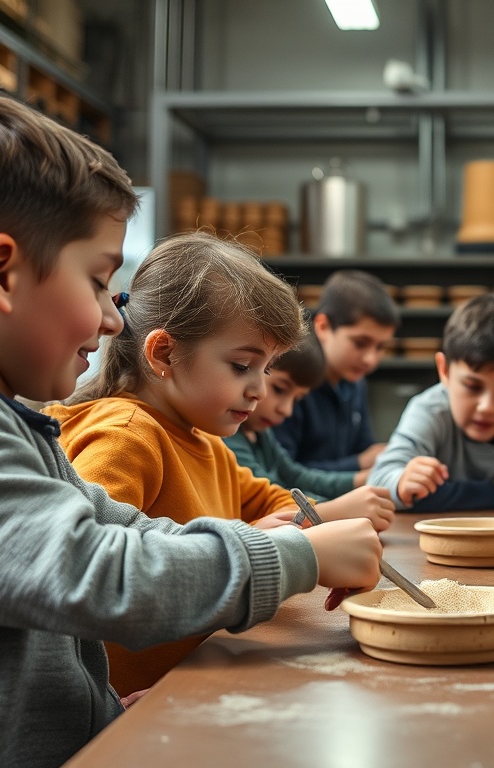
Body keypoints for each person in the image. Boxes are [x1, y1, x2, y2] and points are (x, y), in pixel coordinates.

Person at [0, 86, 382, 768]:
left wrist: (97, 712)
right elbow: (98, 574)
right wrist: (295, 557)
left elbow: (122, 532)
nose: (111, 317)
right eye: (98, 281)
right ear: (2, 273)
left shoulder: (9, 423)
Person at [45, 232, 394, 697]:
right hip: (125, 710)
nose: (260, 390)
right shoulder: (127, 435)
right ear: (164, 353)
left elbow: (272, 500)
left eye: (267, 369)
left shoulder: (204, 442)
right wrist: (281, 544)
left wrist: (322, 528)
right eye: (241, 366)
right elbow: (92, 573)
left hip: (190, 682)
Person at [369, 293, 494, 511]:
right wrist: (401, 482)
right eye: (473, 387)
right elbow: (378, 482)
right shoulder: (429, 411)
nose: (486, 407)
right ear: (444, 370)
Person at [225, 339, 387, 500]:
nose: (286, 410)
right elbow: (267, 496)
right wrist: (339, 507)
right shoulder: (227, 437)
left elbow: (297, 477)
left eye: (297, 400)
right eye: (279, 389)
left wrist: (364, 479)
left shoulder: (262, 434)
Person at [273, 269, 399, 471]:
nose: (370, 359)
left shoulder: (356, 382)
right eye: (360, 343)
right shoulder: (292, 379)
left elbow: (364, 448)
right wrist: (358, 464)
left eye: (380, 347)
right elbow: (283, 472)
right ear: (323, 327)